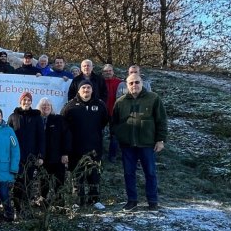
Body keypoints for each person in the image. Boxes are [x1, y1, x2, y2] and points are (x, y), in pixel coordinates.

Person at [112, 74, 167, 211]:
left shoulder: (153, 98)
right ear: (126, 85)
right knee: (128, 173)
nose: (134, 85)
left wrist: (160, 140)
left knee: (150, 173)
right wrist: (120, 136)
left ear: (142, 83)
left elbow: (161, 120)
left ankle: (152, 201)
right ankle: (132, 200)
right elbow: (114, 123)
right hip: (128, 145)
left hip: (147, 143)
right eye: (131, 83)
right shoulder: (120, 102)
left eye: (137, 82)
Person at [61, 80, 109, 210]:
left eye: (88, 87)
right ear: (78, 90)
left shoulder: (100, 105)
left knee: (94, 175)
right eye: (83, 88)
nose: (86, 90)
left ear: (92, 90)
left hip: (94, 148)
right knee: (77, 175)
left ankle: (94, 199)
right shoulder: (70, 106)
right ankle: (78, 200)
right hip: (75, 148)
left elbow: (104, 121)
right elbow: (64, 126)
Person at [7, 92, 45, 217]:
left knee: (28, 182)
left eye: (29, 100)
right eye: (24, 100)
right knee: (17, 182)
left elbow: (41, 137)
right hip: (16, 157)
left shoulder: (37, 117)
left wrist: (40, 156)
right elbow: (8, 137)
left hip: (31, 157)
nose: (26, 102)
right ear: (20, 101)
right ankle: (17, 208)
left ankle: (26, 208)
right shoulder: (13, 117)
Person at [37, 97, 69, 206]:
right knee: (43, 181)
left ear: (51, 107)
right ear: (39, 107)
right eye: (43, 105)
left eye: (48, 105)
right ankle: (43, 202)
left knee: (59, 181)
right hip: (43, 158)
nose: (45, 107)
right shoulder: (37, 120)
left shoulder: (58, 119)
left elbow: (66, 137)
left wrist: (65, 153)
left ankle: (59, 203)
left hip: (58, 157)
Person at [102, 64, 123, 162]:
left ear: (113, 72)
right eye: (106, 71)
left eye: (109, 71)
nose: (108, 73)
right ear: (102, 73)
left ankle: (113, 155)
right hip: (102, 112)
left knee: (114, 134)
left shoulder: (120, 83)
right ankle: (99, 153)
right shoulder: (100, 82)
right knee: (99, 133)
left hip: (114, 112)